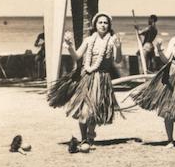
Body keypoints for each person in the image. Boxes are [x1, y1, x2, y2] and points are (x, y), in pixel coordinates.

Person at [47, 13, 123, 148]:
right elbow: (77, 57)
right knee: (84, 113)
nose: (103, 25)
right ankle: (84, 139)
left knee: (93, 111)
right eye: (100, 22)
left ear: (109, 25)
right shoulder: (88, 40)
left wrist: (118, 47)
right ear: (95, 25)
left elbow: (117, 60)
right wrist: (69, 46)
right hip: (87, 78)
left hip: (102, 80)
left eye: (105, 23)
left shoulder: (112, 41)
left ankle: (90, 134)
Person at [130, 12, 175, 148]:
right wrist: (159, 50)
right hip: (171, 75)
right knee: (168, 108)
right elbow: (166, 60)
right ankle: (169, 139)